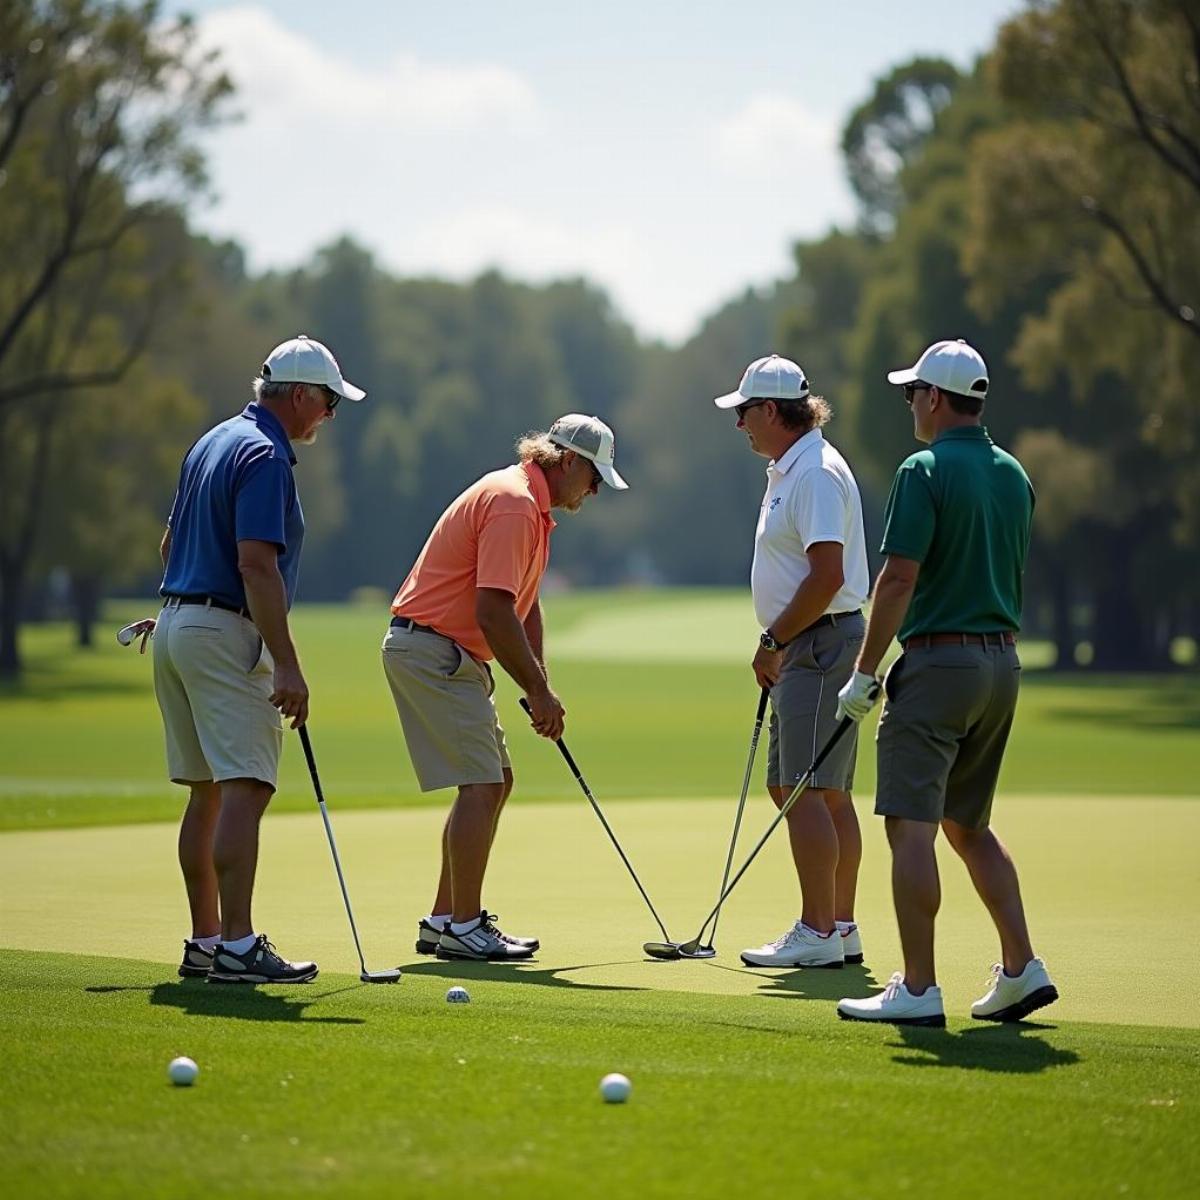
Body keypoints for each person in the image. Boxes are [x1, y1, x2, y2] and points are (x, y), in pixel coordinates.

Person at [835, 339, 1058, 1026]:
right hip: (1001, 666)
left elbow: (899, 577)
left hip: (939, 666)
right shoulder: (1014, 473)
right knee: (970, 825)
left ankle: (918, 988)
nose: (909, 404)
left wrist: (863, 673)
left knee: (911, 827)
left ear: (934, 397)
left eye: (912, 393)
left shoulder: (923, 468)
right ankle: (1022, 969)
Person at [153, 334, 364, 984]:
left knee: (208, 791)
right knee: (246, 784)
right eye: (328, 403)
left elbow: (170, 544)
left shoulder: (212, 440)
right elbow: (257, 564)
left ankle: (206, 941)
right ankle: (239, 947)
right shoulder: (266, 456)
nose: (329, 416)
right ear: (299, 395)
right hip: (221, 630)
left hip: (174, 623)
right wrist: (288, 663)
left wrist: (185, 613)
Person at [383, 414, 627, 961]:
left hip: (445, 651)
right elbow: (492, 609)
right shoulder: (516, 504)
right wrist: (537, 693)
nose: (594, 490)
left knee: (497, 778)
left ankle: (446, 918)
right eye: (593, 477)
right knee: (483, 783)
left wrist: (541, 684)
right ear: (567, 461)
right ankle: (462, 926)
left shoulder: (531, 508)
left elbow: (525, 604)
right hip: (434, 649)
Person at [712, 355, 870, 969]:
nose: (740, 424)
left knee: (803, 785)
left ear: (773, 411)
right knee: (819, 789)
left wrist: (774, 640)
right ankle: (841, 927)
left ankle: (819, 929)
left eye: (745, 412)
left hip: (819, 642)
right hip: (813, 641)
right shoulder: (791, 468)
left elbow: (827, 575)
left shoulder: (815, 475)